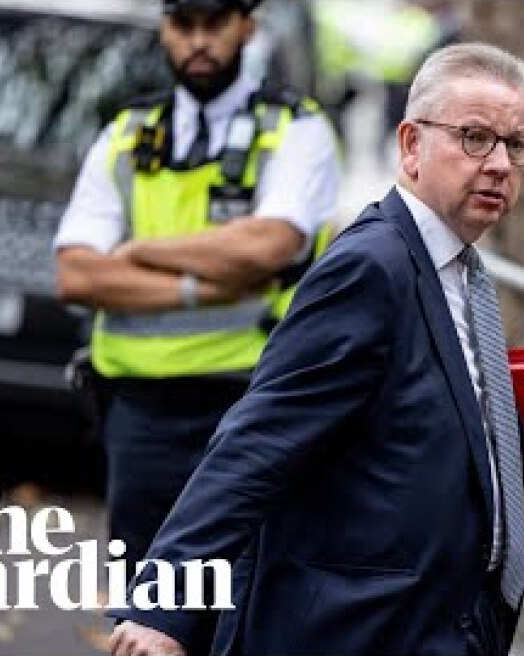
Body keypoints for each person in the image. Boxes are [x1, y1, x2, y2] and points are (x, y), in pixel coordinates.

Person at [109, 42, 524, 656]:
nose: (499, 163)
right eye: (475, 138)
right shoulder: (371, 267)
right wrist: (164, 606)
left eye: (516, 144)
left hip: (442, 625)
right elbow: (258, 439)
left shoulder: (461, 272)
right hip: (359, 630)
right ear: (411, 144)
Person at [52, 0, 339, 648]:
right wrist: (199, 283)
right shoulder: (128, 132)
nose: (199, 41)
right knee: (143, 611)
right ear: (165, 29)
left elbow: (269, 245)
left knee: (243, 609)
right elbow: (76, 274)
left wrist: (137, 251)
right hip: (140, 414)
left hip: (251, 405)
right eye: (184, 25)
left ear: (247, 26)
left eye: (215, 24)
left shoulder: (295, 128)